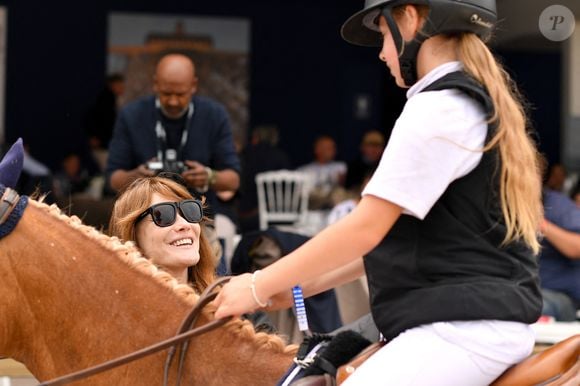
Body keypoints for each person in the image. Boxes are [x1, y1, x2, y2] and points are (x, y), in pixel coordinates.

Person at [215, 1, 544, 385]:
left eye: (384, 36)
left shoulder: (438, 107)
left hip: (460, 329)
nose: (383, 52)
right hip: (467, 322)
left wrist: (257, 285)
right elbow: (390, 239)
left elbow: (364, 229)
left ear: (409, 17)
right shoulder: (463, 103)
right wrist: (299, 287)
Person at [105, 53, 241, 221]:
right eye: (166, 93)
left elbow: (233, 180)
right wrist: (138, 177)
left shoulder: (214, 115)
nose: (173, 101)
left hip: (198, 220)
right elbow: (113, 179)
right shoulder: (131, 115)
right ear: (155, 84)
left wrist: (208, 176)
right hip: (144, 218)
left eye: (180, 94)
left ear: (193, 86)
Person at [237, 125, 292, 233]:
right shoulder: (281, 157)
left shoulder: (244, 156)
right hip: (281, 215)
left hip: (247, 216)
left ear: (256, 138)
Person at [539, 188, 580, 321]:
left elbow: (577, 247)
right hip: (518, 290)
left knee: (530, 305)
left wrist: (540, 224)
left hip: (562, 297)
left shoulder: (557, 205)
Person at [297, 135, 347, 210]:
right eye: (328, 148)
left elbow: (343, 185)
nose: (333, 151)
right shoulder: (304, 170)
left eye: (333, 148)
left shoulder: (340, 167)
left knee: (339, 193)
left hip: (332, 201)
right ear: (317, 150)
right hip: (312, 201)